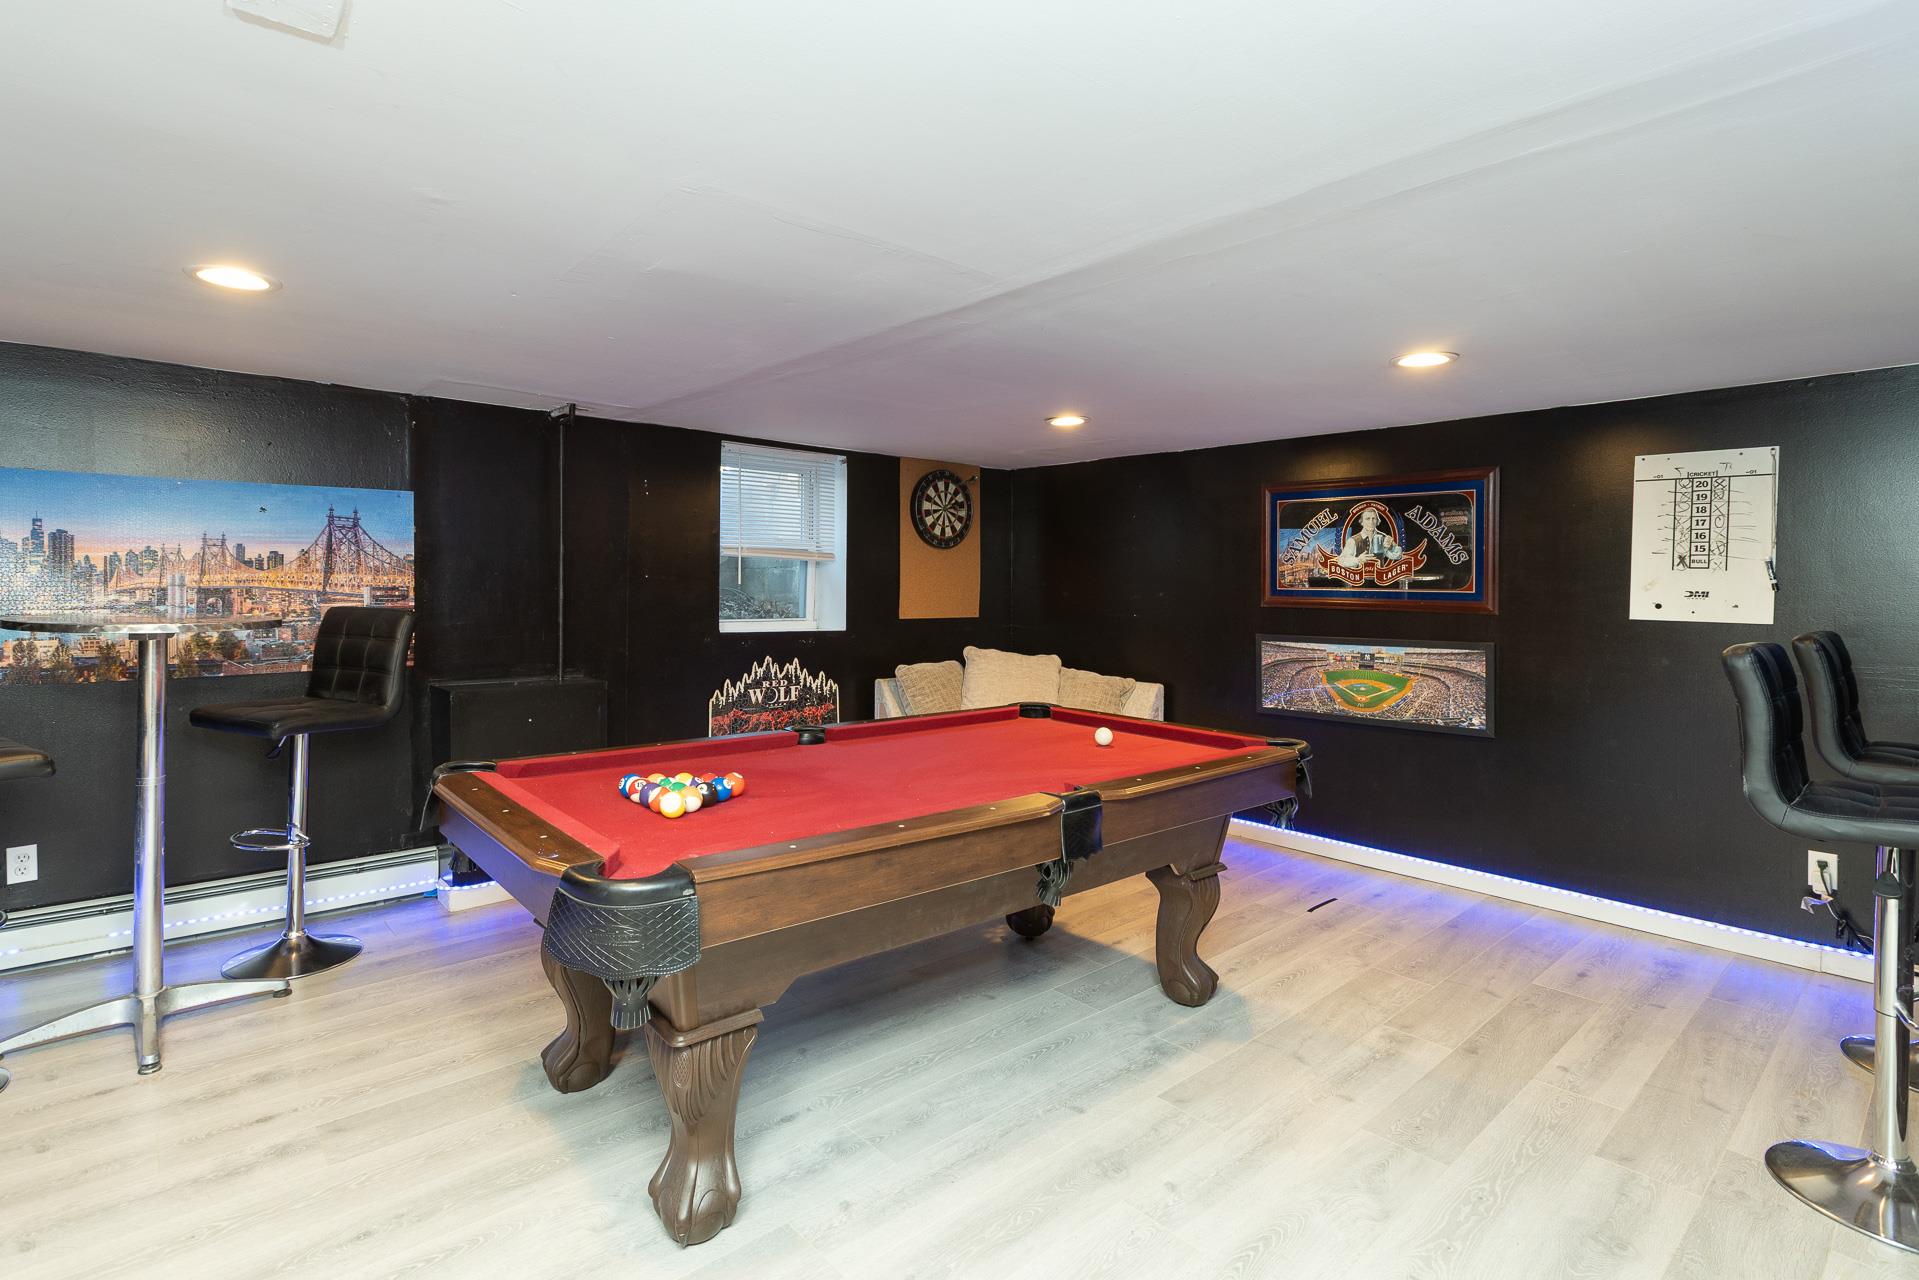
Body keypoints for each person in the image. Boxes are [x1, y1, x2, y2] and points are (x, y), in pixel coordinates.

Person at [1337, 504, 1402, 567]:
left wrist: (1392, 546)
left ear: (1377, 521)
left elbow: (1398, 556)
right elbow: (1341, 561)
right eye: (1367, 519)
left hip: (1380, 576)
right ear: (1362, 522)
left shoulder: (1382, 538)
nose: (1371, 522)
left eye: (1374, 518)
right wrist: (1357, 560)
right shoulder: (1353, 540)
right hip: (1359, 577)